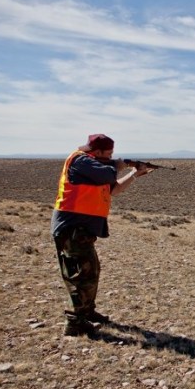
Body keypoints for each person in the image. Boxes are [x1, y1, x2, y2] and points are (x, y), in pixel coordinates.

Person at [51, 134, 153, 336]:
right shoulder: (81, 160)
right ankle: (75, 321)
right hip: (71, 226)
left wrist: (134, 174)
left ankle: (86, 312)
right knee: (79, 275)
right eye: (109, 153)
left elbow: (114, 189)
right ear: (97, 152)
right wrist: (120, 165)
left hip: (81, 229)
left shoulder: (94, 167)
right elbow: (108, 175)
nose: (111, 157)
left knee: (91, 271)